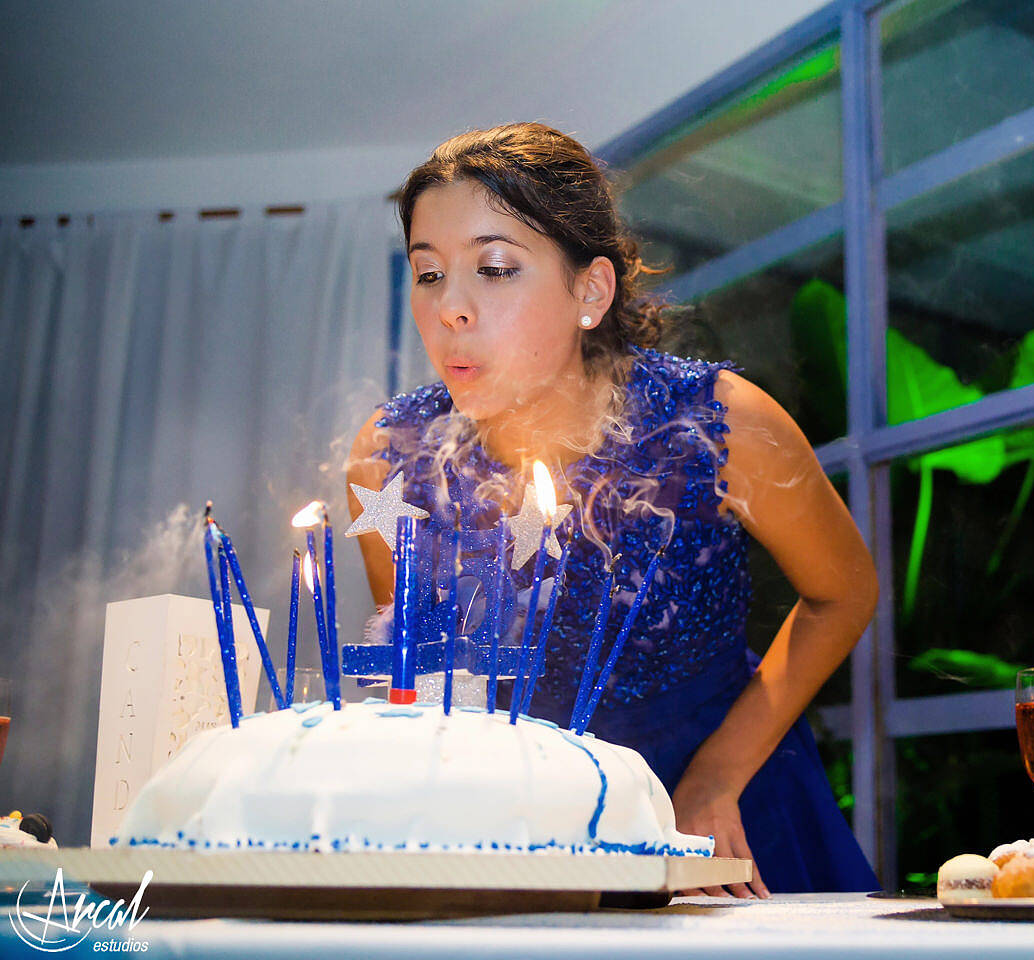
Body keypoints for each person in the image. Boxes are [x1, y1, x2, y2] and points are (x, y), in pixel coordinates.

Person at [347, 122, 879, 896]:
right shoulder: (391, 455)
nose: (450, 308)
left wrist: (716, 777)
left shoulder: (717, 425)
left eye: (494, 268)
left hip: (717, 815)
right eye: (428, 274)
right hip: (518, 838)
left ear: (590, 290)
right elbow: (425, 682)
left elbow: (845, 590)